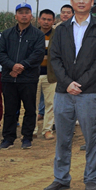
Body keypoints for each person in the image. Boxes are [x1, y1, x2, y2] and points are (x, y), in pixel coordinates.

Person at [43, 0, 96, 190]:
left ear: (92, 2)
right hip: (63, 92)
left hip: (88, 92)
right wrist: (67, 83)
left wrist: (80, 83)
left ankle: (91, 178)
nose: (81, 1)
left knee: (91, 137)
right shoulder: (61, 29)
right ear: (71, 1)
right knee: (63, 138)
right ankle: (61, 178)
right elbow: (54, 58)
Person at [0, 3, 44, 150]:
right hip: (9, 78)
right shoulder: (6, 34)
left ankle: (27, 138)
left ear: (31, 16)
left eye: (27, 12)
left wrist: (21, 66)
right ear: (16, 16)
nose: (24, 15)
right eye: (21, 12)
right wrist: (12, 66)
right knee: (10, 110)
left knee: (29, 109)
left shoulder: (38, 34)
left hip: (28, 78)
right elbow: (0, 53)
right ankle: (8, 138)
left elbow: (38, 54)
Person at [35, 9, 57, 140]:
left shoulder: (57, 35)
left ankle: (47, 130)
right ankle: (31, 129)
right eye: (43, 19)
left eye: (49, 20)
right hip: (33, 74)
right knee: (32, 104)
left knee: (50, 104)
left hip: (51, 75)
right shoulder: (32, 34)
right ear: (39, 20)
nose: (46, 22)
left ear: (53, 21)